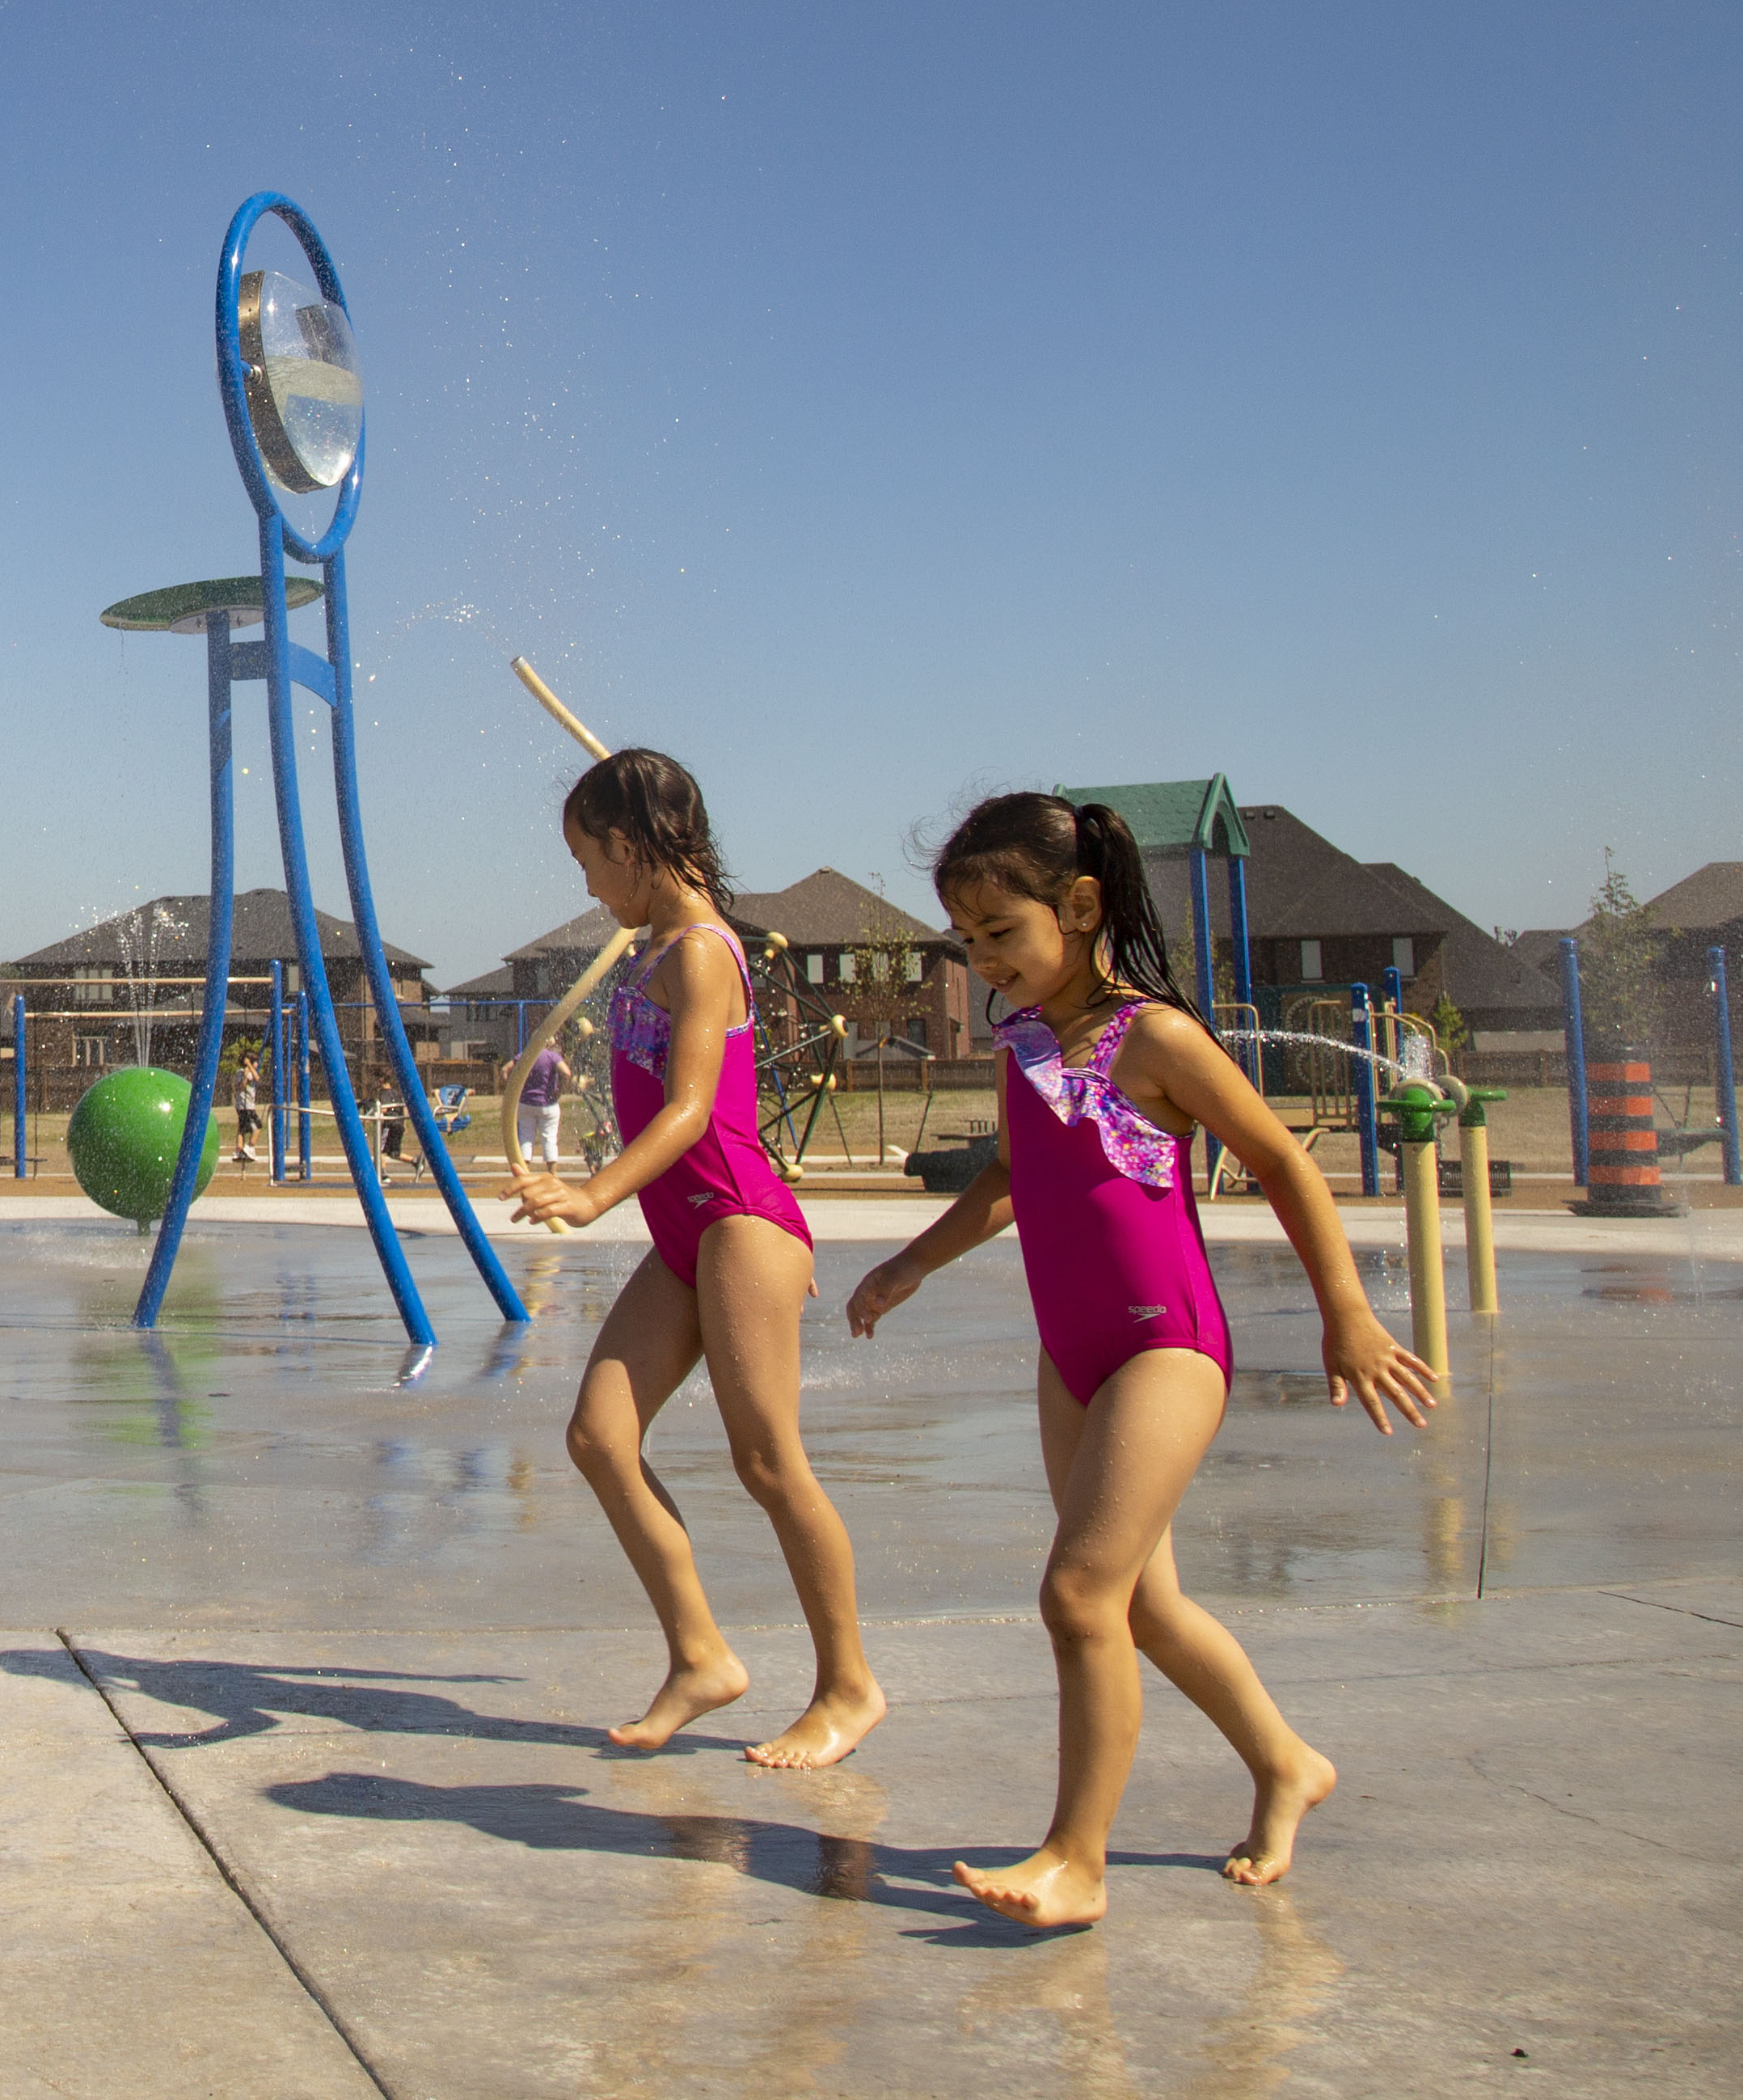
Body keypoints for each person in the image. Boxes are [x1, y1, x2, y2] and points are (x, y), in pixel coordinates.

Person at [848, 792, 1437, 1930]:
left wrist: (1348, 1315)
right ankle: (1286, 1763)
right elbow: (1010, 1180)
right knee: (1145, 1610)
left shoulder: (1156, 1038)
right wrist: (911, 1264)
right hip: (1072, 1354)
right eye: (967, 942)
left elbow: (1282, 1163)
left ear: (1080, 906)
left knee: (1078, 1595)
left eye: (1001, 933)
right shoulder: (1025, 1045)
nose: (984, 963)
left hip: (1164, 1346)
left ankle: (1077, 1858)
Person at [509, 748, 885, 1769]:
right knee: (599, 1437)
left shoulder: (703, 952)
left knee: (767, 1461)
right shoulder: (654, 945)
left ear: (631, 846)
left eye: (590, 861)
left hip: (736, 1220)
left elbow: (689, 1109)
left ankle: (849, 1686)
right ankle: (700, 1656)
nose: (589, 886)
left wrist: (593, 1193)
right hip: (688, 1234)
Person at [513, 1037, 570, 1173]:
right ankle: (552, 1174)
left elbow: (506, 1069)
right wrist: (560, 1090)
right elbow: (566, 1073)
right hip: (548, 1103)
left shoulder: (526, 1055)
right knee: (549, 1139)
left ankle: (525, 1172)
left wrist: (513, 1091)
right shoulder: (552, 1057)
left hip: (526, 1102)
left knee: (526, 1138)